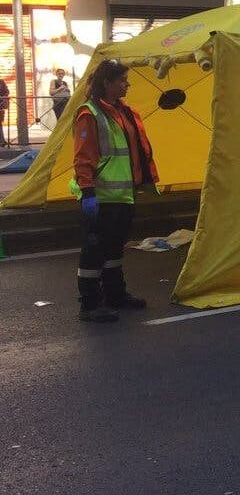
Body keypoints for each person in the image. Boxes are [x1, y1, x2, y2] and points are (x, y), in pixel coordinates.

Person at [70, 60, 159, 322]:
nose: (127, 84)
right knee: (94, 250)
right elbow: (83, 158)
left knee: (114, 249)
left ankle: (115, 295)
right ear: (107, 83)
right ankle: (89, 304)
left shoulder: (123, 113)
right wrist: (88, 193)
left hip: (122, 195)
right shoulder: (91, 114)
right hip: (101, 197)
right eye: (122, 80)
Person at [0, 76, 9, 146]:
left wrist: (3, 98)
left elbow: (7, 92)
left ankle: (2, 141)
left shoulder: (1, 81)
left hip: (0, 106)